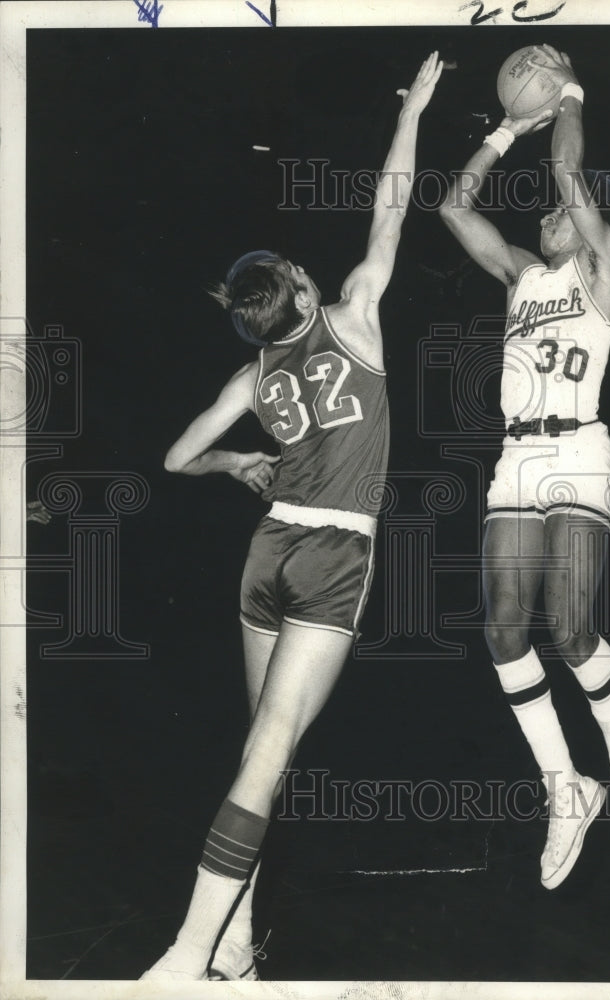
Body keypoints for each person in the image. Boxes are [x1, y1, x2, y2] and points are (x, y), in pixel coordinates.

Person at [142, 52, 443, 981]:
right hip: (332, 556)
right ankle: (186, 957)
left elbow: (173, 457)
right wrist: (417, 109)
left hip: (265, 554)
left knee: (258, 752)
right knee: (269, 753)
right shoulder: (354, 317)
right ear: (303, 294)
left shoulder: (251, 375)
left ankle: (233, 943)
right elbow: (392, 199)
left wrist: (240, 461)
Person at [439, 45, 610, 890]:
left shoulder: (604, 273)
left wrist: (567, 92)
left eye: (562, 214)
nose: (546, 217)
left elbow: (568, 172)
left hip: (576, 449)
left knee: (569, 630)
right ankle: (566, 789)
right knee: (501, 630)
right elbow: (456, 209)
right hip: (516, 456)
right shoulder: (522, 277)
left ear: (593, 222)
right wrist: (502, 130)